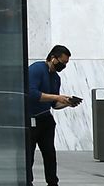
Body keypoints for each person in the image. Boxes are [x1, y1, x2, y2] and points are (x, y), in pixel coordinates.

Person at [27, 44, 83, 186]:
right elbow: (32, 94)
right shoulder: (37, 69)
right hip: (32, 118)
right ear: (53, 58)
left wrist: (67, 102)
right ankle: (28, 181)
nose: (64, 66)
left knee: (50, 154)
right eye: (63, 62)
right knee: (29, 155)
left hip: (46, 118)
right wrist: (56, 98)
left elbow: (54, 104)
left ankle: (52, 182)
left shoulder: (55, 77)